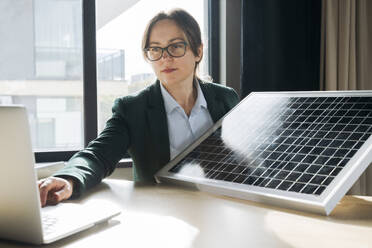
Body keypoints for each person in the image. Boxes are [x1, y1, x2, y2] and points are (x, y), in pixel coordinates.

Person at [38, 8, 239, 207]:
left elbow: (243, 157)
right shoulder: (133, 109)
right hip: (163, 217)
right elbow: (98, 154)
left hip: (223, 208)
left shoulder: (225, 98)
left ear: (198, 51)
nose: (165, 58)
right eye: (155, 49)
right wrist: (69, 179)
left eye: (176, 46)